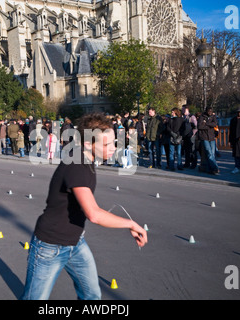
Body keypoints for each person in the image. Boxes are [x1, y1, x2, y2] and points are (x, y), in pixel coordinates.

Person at [20, 113, 147, 300]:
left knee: (92, 295)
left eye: (114, 142)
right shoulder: (77, 165)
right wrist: (131, 224)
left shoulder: (85, 160)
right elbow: (94, 214)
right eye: (106, 145)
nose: (113, 148)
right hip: (50, 246)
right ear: (88, 143)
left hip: (75, 243)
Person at [197, 107, 219, 175]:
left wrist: (206, 123)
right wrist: (210, 126)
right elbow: (199, 126)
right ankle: (215, 168)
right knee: (209, 153)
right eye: (209, 111)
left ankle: (211, 168)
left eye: (211, 111)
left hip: (211, 137)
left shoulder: (213, 116)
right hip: (204, 137)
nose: (210, 112)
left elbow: (215, 124)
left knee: (212, 154)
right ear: (206, 111)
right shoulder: (202, 117)